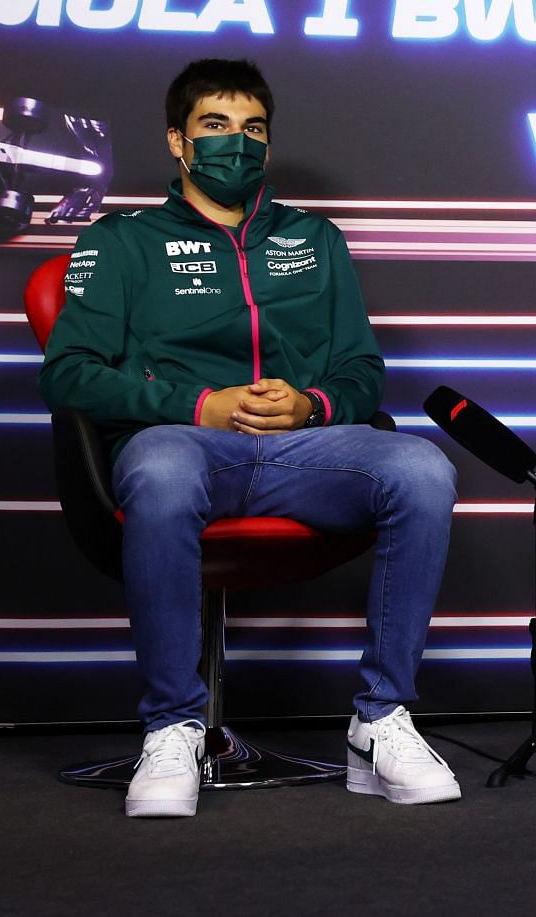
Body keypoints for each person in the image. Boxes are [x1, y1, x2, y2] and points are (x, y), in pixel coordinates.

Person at [40, 58, 463, 817]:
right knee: (165, 469)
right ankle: (174, 728)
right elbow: (68, 374)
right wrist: (198, 404)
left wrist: (311, 404)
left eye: (253, 128)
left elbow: (364, 370)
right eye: (215, 126)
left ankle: (381, 720)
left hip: (305, 454)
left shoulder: (314, 238)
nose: (237, 142)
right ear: (177, 140)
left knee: (422, 468)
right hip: (183, 444)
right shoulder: (121, 240)